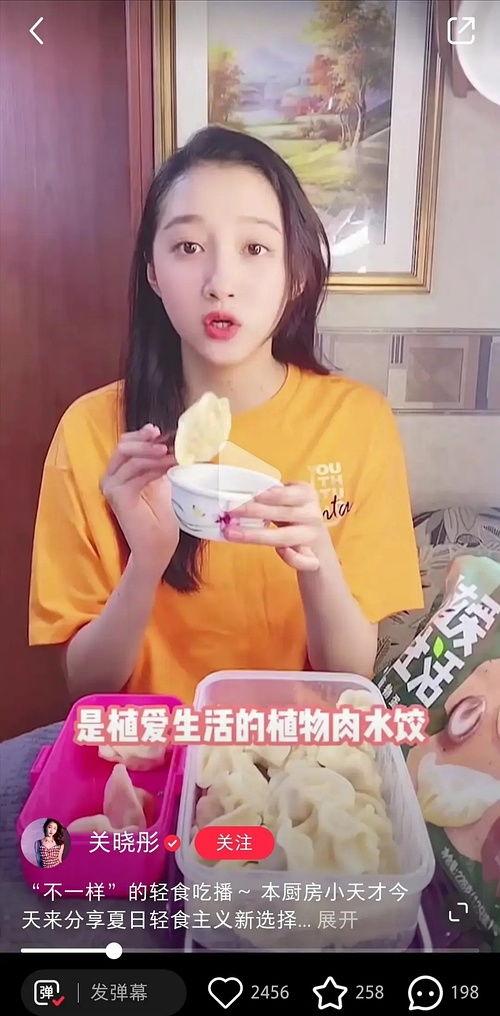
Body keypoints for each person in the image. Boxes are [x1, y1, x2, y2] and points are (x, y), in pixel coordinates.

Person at [28, 125, 423, 704]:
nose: (221, 283)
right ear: (153, 271)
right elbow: (88, 686)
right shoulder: (90, 432)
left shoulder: (358, 422)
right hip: (152, 749)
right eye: (188, 247)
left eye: (255, 249)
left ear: (297, 273)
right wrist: (148, 560)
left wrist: (315, 560)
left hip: (288, 749)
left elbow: (349, 671)